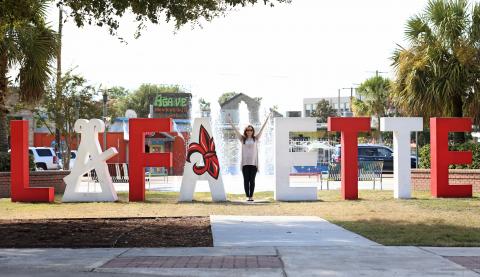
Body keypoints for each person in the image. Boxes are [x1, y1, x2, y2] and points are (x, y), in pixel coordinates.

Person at [227, 113, 271, 201]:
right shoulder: (242, 139)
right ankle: (248, 196)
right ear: (245, 131)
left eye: (250, 130)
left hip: (254, 163)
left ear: (253, 131)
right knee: (246, 180)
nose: (249, 131)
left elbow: (262, 129)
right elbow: (235, 130)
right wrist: (230, 121)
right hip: (245, 164)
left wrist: (266, 119)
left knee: (252, 181)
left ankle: (251, 196)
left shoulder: (256, 138)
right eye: (247, 130)